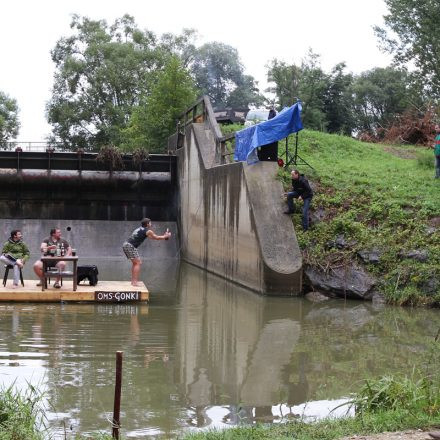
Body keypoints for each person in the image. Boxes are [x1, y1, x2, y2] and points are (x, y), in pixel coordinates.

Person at [123, 218, 171, 287]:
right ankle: (134, 282)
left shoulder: (139, 229)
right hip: (130, 246)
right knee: (138, 263)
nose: (151, 224)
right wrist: (166, 236)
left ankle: (133, 282)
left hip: (127, 245)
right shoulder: (148, 231)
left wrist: (164, 236)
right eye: (150, 223)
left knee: (135, 263)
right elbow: (156, 237)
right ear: (147, 224)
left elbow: (153, 237)